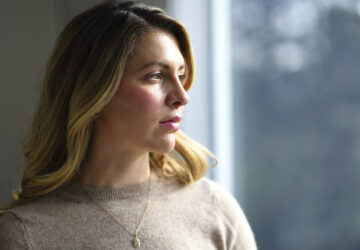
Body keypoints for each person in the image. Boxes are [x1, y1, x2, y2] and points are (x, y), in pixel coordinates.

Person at [0, 1, 257, 249]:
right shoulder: (25, 233)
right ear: (96, 91)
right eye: (156, 76)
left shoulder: (213, 208)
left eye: (181, 76)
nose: (182, 96)